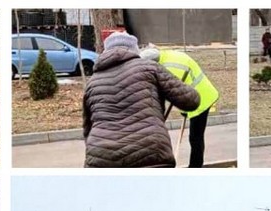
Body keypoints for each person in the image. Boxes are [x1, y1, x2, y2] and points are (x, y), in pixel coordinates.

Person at [82, 31, 199, 168]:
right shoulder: (149, 68)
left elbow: (87, 129)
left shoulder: (92, 83)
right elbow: (191, 100)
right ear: (134, 49)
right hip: (151, 153)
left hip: (102, 158)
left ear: (105, 51)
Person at [140, 45, 220, 168]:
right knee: (195, 137)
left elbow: (173, 93)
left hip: (201, 99)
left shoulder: (167, 68)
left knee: (195, 137)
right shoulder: (165, 55)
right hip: (196, 95)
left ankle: (195, 168)